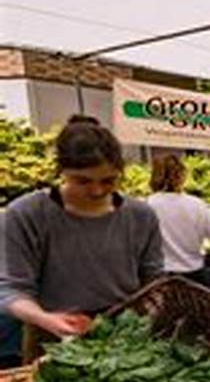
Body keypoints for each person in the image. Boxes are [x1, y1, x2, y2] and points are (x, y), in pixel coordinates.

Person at [0, 115, 163, 349]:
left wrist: (150, 313)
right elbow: (10, 288)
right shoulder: (26, 213)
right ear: (61, 171)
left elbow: (153, 278)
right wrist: (45, 319)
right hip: (50, 335)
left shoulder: (141, 215)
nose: (97, 191)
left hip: (125, 334)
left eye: (108, 181)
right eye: (82, 181)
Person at [147, 155, 210, 286]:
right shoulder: (198, 204)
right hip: (194, 273)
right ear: (182, 176)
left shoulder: (146, 206)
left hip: (159, 276)